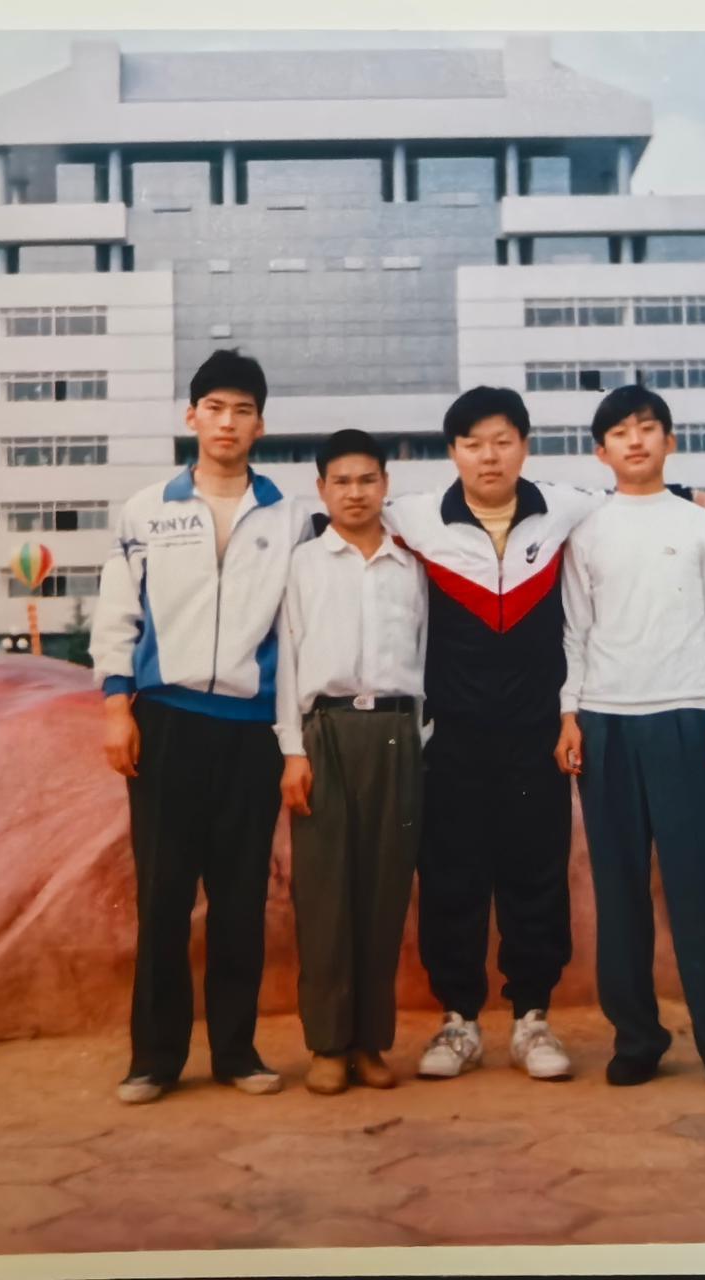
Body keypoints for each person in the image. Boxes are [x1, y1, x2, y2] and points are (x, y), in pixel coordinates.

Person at [382, 386, 705, 1082]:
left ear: (525, 446)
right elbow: (343, 512)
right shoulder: (415, 516)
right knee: (451, 880)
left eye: (503, 441)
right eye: (473, 444)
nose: (489, 456)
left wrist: (695, 495)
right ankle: (458, 1021)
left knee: (535, 877)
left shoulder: (567, 508)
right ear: (453, 451)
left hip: (536, 736)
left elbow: (635, 494)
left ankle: (531, 1019)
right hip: (451, 736)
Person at [555, 384, 705, 1095]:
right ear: (600, 452)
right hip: (604, 721)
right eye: (619, 432)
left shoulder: (699, 526)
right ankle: (636, 1039)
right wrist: (569, 714)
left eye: (647, 428)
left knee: (702, 888)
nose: (635, 440)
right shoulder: (586, 530)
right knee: (618, 891)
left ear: (669, 441)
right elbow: (574, 630)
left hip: (687, 718)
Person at [91, 349, 312, 1105]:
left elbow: (298, 627)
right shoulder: (147, 509)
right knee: (163, 896)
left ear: (260, 425)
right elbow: (117, 613)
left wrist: (289, 740)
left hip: (250, 729)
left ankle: (236, 1052)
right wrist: (116, 705)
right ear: (191, 417)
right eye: (214, 408)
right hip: (167, 721)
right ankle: (154, 1058)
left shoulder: (290, 516)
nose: (227, 422)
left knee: (240, 898)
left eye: (242, 411)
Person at [274, 429, 428, 1096]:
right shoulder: (303, 564)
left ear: (385, 485)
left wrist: (422, 738)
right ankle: (328, 1044)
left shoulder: (410, 565)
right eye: (341, 481)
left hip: (396, 734)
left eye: (367, 480)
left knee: (384, 893)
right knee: (325, 894)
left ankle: (370, 1043)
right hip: (326, 733)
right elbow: (287, 659)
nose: (355, 492)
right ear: (322, 489)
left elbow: (428, 652)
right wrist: (293, 750)